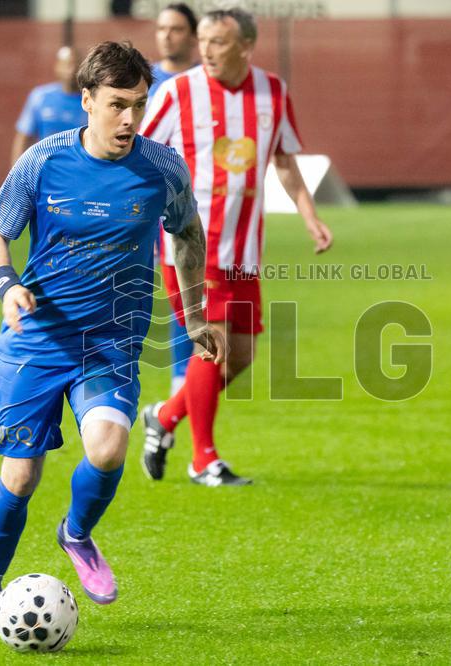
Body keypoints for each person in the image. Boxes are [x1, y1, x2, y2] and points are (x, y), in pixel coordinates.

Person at [0, 41, 222, 627]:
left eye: (138, 104)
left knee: (106, 451)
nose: (129, 119)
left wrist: (197, 314)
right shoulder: (42, 162)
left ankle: (76, 534)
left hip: (109, 343)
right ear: (86, 101)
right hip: (38, 338)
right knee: (20, 475)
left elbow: (188, 237)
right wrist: (7, 286)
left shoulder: (161, 168)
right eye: (116, 105)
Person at [139, 8, 333, 487]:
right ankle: (204, 459)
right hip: (194, 249)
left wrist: (309, 214)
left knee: (241, 356)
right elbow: (141, 154)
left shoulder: (272, 91)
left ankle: (164, 417)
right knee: (214, 347)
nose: (206, 49)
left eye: (218, 42)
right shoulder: (178, 93)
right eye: (202, 39)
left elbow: (285, 160)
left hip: (244, 251)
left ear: (246, 46)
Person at [148, 2, 199, 395]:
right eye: (162, 27)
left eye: (176, 28)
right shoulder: (142, 83)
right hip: (150, 207)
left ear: (193, 36)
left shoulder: (205, 85)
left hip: (200, 207)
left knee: (193, 291)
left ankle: (183, 383)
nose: (167, 35)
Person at [11, 46, 84, 164]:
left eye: (76, 65)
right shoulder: (40, 97)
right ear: (57, 67)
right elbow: (23, 137)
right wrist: (15, 171)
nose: (71, 70)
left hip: (79, 169)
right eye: (67, 65)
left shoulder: (91, 100)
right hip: (46, 168)